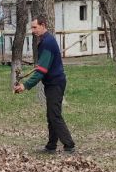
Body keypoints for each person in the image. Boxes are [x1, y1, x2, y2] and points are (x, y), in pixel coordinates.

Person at [14, 15, 76, 154]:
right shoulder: (45, 41)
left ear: (43, 25)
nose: (33, 30)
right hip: (52, 83)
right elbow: (42, 66)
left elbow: (42, 71)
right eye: (32, 27)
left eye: (35, 27)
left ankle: (69, 145)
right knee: (51, 115)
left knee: (54, 115)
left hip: (56, 83)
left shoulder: (47, 42)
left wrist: (25, 85)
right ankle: (51, 146)